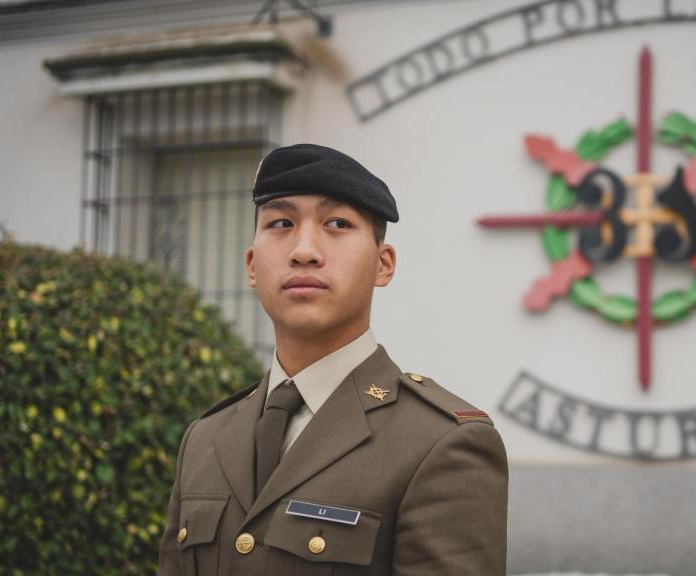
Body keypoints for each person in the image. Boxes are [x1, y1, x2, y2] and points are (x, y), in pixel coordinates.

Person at [157, 144, 508, 575]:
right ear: (251, 265)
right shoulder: (205, 439)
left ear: (383, 265)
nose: (304, 250)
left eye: (337, 224)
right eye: (281, 223)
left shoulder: (439, 445)